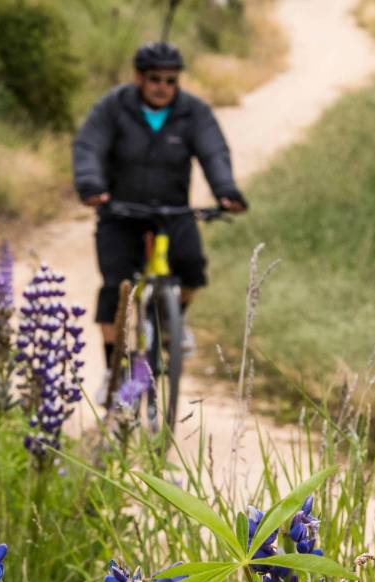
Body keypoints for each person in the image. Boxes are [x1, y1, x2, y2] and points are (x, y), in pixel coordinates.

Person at [72, 40, 247, 374]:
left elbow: (213, 152)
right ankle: (114, 373)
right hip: (120, 211)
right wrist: (90, 185)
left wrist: (225, 191)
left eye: (170, 80)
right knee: (116, 286)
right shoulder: (113, 107)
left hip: (173, 211)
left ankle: (171, 319)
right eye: (154, 79)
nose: (162, 87)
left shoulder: (193, 112)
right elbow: (89, 146)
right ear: (138, 77)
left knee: (193, 268)